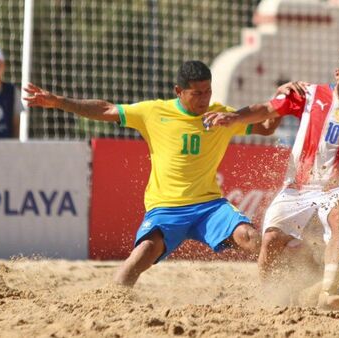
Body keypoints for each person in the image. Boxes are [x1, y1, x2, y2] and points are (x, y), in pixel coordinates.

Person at [24, 60, 289, 287]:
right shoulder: (153, 112)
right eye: (196, 93)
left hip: (209, 206)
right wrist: (59, 102)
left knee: (251, 237)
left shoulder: (221, 115)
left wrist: (282, 102)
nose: (204, 99)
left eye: (207, 91)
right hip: (166, 208)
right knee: (141, 256)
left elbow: (265, 128)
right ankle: (111, 300)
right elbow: (105, 109)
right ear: (178, 91)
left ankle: (296, 279)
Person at [204, 48, 339, 309]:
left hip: (336, 189)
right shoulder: (309, 95)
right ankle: (271, 300)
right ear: (338, 74)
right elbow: (266, 109)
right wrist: (235, 117)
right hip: (297, 189)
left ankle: (327, 293)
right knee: (271, 241)